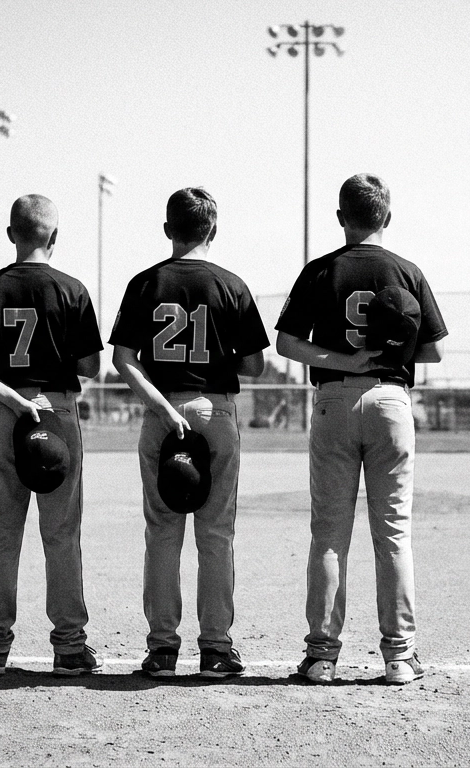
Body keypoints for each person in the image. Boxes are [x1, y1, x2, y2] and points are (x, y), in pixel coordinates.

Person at [275, 173, 447, 685]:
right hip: (392, 401)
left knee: (329, 534)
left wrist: (344, 361)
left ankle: (322, 656)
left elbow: (285, 343)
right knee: (393, 534)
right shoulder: (406, 271)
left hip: (333, 399)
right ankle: (399, 656)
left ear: (340, 218)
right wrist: (389, 353)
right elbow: (435, 350)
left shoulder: (320, 270)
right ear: (387, 218)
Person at [110, 188, 268, 679]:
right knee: (216, 535)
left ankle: (161, 650)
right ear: (213, 230)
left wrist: (158, 402)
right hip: (215, 413)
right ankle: (217, 649)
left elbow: (122, 359)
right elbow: (256, 365)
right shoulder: (232, 285)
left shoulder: (144, 283)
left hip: (162, 414)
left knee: (162, 533)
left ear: (167, 229)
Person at [0, 194, 105, 677]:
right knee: (61, 533)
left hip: (5, 411)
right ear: (54, 237)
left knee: (1, 531)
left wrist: (12, 399)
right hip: (56, 410)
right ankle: (68, 648)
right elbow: (90, 367)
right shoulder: (72, 289)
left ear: (11, 234)